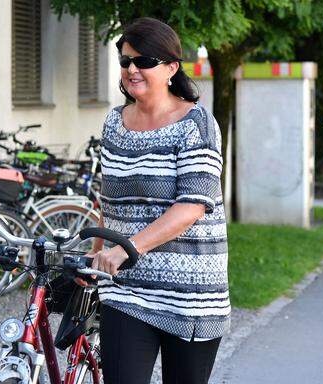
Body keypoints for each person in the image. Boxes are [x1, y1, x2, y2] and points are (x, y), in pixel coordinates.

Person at [82, 17, 231, 384]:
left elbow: (192, 206)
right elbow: (109, 204)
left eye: (143, 61)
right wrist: (96, 256)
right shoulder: (114, 123)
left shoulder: (197, 124)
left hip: (191, 297)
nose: (132, 68)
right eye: (125, 60)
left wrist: (125, 249)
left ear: (170, 68)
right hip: (126, 291)